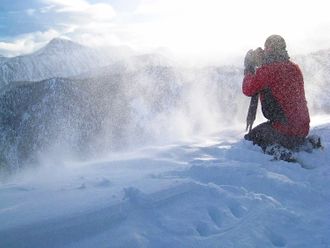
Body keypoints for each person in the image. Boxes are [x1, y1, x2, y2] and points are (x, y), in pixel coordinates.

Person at [242, 35, 310, 152]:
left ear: (269, 49)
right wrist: (263, 63)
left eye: (266, 48)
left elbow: (248, 89)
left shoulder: (268, 71)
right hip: (302, 130)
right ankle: (306, 145)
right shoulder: (294, 68)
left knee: (250, 140)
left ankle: (278, 151)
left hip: (283, 131)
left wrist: (249, 69)